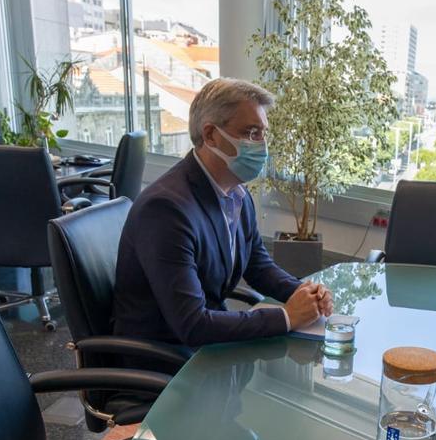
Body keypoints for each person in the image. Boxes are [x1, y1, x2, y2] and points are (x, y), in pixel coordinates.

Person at [113, 77, 332, 352]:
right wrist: (287, 317)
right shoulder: (166, 209)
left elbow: (257, 266)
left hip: (206, 346)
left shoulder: (237, 193)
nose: (262, 144)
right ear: (210, 135)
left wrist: (303, 293)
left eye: (263, 133)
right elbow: (192, 324)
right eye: (251, 132)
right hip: (163, 358)